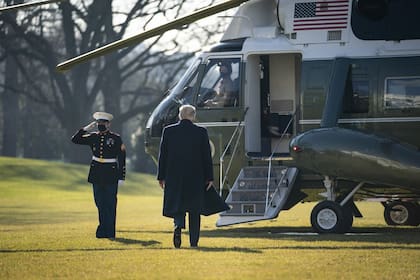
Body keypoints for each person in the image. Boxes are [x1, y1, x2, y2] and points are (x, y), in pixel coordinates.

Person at [157, 105, 214, 248]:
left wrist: (161, 176)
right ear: (193, 116)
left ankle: (178, 226)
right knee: (195, 209)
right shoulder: (201, 132)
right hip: (196, 176)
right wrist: (209, 177)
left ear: (180, 116)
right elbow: (206, 156)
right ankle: (193, 241)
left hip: (174, 175)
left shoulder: (169, 131)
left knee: (178, 204)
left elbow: (163, 155)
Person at [71, 112, 126, 239]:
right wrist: (85, 129)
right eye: (99, 123)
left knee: (110, 204)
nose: (101, 125)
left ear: (109, 124)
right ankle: (102, 229)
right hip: (97, 174)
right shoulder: (93, 137)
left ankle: (109, 231)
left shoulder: (116, 138)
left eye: (104, 123)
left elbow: (122, 157)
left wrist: (121, 176)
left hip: (111, 174)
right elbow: (75, 140)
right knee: (100, 202)